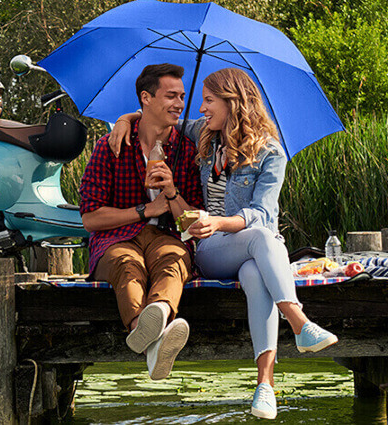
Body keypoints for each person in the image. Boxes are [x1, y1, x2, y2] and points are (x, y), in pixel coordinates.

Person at [110, 67, 338, 420]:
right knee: (261, 241)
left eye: (209, 100)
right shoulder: (204, 133)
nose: (200, 108)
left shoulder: (271, 154)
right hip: (213, 248)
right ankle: (298, 321)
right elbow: (155, 115)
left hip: (252, 246)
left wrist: (216, 219)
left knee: (253, 271)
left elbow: (261, 214)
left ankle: (265, 386)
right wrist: (125, 119)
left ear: (234, 103)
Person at [79, 63, 203, 381]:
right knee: (126, 263)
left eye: (182, 96)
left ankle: (150, 326)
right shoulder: (111, 147)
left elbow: (192, 225)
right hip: (115, 239)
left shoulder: (188, 151)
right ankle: (147, 331)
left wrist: (173, 193)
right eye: (171, 96)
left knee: (173, 259)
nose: (179, 103)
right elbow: (90, 218)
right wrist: (144, 210)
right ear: (145, 98)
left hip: (166, 235)